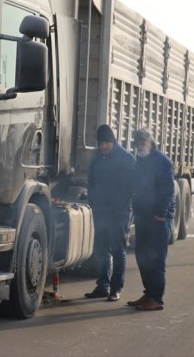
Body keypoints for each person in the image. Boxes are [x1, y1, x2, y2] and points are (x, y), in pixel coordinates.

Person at [84, 124, 135, 302]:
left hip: (119, 213)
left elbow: (132, 188)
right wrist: (93, 200)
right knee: (101, 249)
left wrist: (120, 206)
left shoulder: (127, 159)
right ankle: (103, 286)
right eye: (100, 144)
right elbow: (91, 180)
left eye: (106, 143)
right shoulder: (98, 158)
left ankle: (116, 288)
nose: (103, 147)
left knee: (118, 250)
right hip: (101, 211)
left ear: (113, 142)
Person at [126, 128, 175, 311]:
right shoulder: (139, 162)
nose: (140, 147)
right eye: (137, 144)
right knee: (143, 257)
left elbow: (168, 190)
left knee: (156, 259)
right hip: (143, 218)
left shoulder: (162, 162)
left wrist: (160, 213)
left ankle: (156, 298)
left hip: (158, 219)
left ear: (151, 143)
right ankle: (148, 293)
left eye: (143, 143)